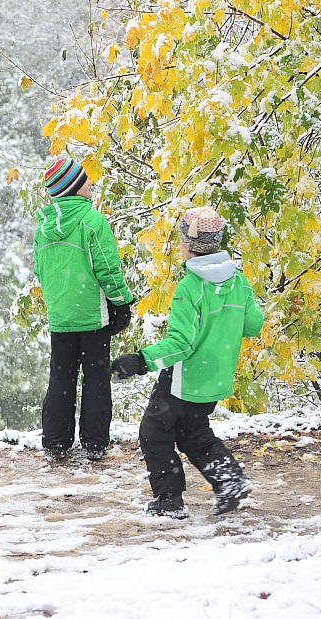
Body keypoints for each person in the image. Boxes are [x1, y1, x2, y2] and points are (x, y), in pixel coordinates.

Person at [111, 205, 264, 518]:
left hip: (184, 378)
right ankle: (230, 480)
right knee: (193, 432)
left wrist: (140, 361)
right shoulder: (239, 281)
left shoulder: (190, 288)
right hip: (216, 377)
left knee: (154, 432)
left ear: (186, 244)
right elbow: (253, 326)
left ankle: (168, 501)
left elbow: (182, 344)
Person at [33, 156, 135, 462]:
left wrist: (59, 301)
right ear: (75, 186)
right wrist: (122, 303)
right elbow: (107, 268)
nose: (91, 183)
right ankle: (93, 443)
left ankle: (56, 442)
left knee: (61, 379)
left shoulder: (42, 229)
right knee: (96, 377)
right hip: (92, 316)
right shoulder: (93, 222)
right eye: (86, 179)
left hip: (61, 316)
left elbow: (40, 272)